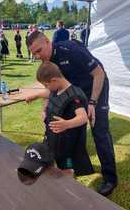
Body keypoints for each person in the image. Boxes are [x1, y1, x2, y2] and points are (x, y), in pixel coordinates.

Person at [26, 31, 118, 196]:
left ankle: (110, 179)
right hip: (74, 93)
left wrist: (92, 103)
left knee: (100, 132)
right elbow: (52, 87)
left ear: (47, 42)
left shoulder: (72, 50)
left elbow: (99, 74)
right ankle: (70, 168)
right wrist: (45, 108)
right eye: (34, 54)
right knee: (68, 131)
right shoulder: (48, 62)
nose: (37, 56)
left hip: (96, 88)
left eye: (39, 51)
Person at [26, 62, 94, 177]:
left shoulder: (74, 96)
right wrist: (35, 96)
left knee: (66, 167)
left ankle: (67, 186)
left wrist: (67, 124)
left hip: (67, 143)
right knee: (51, 159)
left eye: (46, 85)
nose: (46, 88)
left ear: (54, 80)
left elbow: (83, 117)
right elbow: (48, 93)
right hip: (53, 138)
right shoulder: (56, 89)